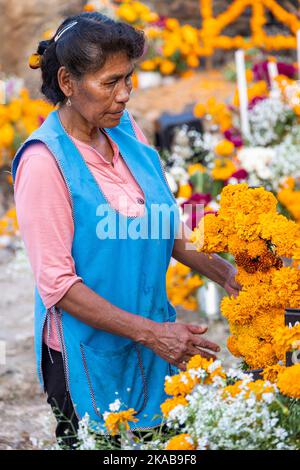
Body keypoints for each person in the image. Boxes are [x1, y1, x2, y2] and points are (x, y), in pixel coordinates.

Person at [12, 12, 240, 448]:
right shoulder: (45, 163)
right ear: (67, 82)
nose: (124, 95)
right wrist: (152, 334)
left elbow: (164, 220)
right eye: (110, 82)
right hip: (91, 354)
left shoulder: (126, 131)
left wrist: (226, 274)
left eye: (129, 79)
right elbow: (57, 285)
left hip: (153, 338)